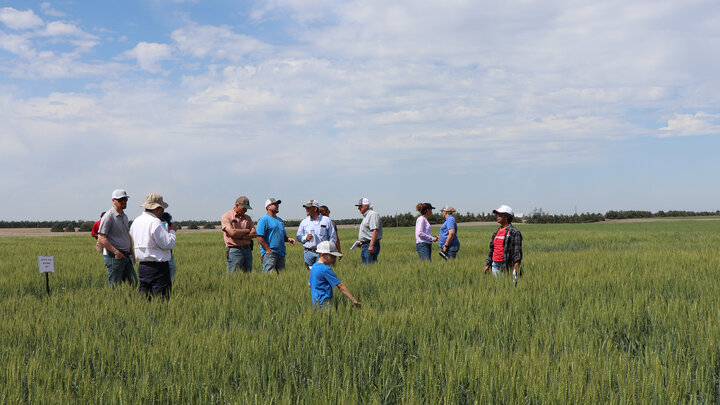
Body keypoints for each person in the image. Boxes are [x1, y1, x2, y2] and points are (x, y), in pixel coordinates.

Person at [130, 193, 177, 300]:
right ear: (156, 208)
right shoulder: (155, 222)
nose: (163, 212)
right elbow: (167, 244)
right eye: (162, 208)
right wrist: (172, 232)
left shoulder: (136, 221)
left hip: (142, 268)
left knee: (145, 301)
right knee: (161, 301)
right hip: (158, 268)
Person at [97, 189, 137, 286]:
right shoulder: (108, 216)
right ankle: (115, 301)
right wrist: (116, 252)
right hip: (114, 257)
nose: (123, 201)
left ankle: (130, 300)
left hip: (126, 256)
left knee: (134, 283)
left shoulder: (124, 216)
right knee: (115, 286)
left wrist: (132, 253)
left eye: (125, 199)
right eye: (120, 200)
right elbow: (101, 238)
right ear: (113, 200)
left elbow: (127, 235)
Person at [308, 241, 361, 308]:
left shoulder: (314, 266)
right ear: (324, 254)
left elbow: (309, 284)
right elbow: (340, 286)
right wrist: (354, 300)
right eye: (332, 256)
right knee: (328, 318)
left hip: (316, 303)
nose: (334, 259)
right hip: (325, 303)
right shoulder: (326, 269)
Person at [256, 198, 296, 273]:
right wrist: (268, 250)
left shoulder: (280, 220)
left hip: (281, 253)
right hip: (270, 254)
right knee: (268, 277)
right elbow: (259, 236)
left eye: (278, 204)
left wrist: (288, 239)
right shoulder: (264, 219)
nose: (277, 206)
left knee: (281, 277)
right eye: (275, 204)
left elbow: (282, 236)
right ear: (268, 207)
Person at [483, 205, 523, 280]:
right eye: (497, 214)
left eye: (500, 214)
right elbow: (492, 249)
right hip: (495, 264)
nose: (497, 216)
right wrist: (488, 264)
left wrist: (515, 269)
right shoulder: (496, 232)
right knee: (498, 287)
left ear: (507, 216)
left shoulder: (514, 232)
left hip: (506, 265)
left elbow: (517, 253)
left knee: (507, 287)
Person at [297, 200, 338, 270]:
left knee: (321, 272)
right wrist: (305, 238)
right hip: (308, 253)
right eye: (306, 208)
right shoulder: (304, 222)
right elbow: (298, 236)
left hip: (322, 253)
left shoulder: (326, 220)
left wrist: (328, 250)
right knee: (309, 275)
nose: (306, 210)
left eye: (308, 208)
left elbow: (333, 237)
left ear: (315, 209)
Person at [221, 196, 256, 273]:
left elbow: (254, 233)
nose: (246, 210)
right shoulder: (227, 216)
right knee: (234, 276)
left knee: (248, 276)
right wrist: (247, 230)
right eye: (244, 208)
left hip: (248, 249)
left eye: (247, 208)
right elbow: (232, 233)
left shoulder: (248, 218)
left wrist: (239, 236)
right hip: (234, 250)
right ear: (237, 205)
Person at [355, 198, 383, 264]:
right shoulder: (366, 216)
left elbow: (375, 230)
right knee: (365, 268)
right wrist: (362, 242)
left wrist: (371, 245)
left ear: (366, 206)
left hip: (370, 245)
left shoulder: (373, 214)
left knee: (370, 266)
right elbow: (368, 233)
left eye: (360, 206)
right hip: (365, 245)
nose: (358, 208)